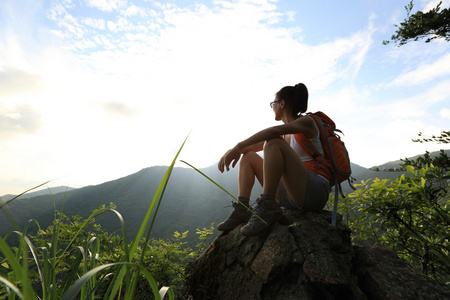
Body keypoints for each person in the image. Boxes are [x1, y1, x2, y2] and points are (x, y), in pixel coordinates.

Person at [217, 83, 331, 236]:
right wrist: (233, 151)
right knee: (249, 157)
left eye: (273, 104)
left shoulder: (307, 122)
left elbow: (273, 132)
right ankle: (243, 209)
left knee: (272, 141)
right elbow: (251, 147)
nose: (272, 108)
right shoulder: (285, 135)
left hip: (315, 192)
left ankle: (268, 205)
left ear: (282, 104)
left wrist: (238, 145)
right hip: (292, 194)